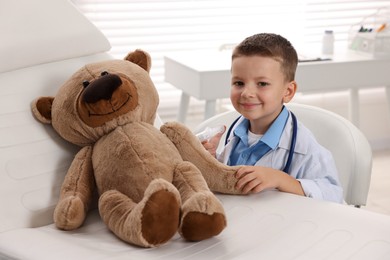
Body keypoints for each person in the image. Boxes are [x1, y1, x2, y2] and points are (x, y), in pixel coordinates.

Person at [202, 33, 343, 203]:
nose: (247, 93)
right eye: (239, 83)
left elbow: (334, 195)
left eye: (262, 84)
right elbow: (234, 179)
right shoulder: (236, 133)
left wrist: (280, 179)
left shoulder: (304, 147)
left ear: (288, 91)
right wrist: (212, 161)